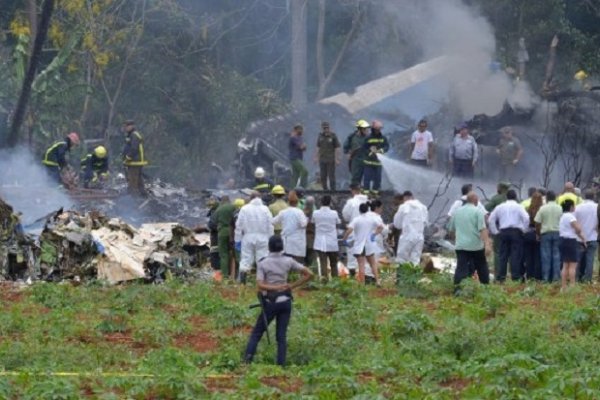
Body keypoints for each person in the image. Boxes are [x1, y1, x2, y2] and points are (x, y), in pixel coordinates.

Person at [243, 235, 313, 366]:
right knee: (281, 336)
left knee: (257, 333)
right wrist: (291, 286)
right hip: (286, 301)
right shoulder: (288, 260)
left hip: (270, 302)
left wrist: (275, 287)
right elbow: (309, 274)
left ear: (268, 247)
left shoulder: (263, 263)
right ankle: (281, 365)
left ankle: (247, 361)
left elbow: (260, 285)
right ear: (282, 246)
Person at [448, 192, 491, 290]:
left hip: (461, 246)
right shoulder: (478, 212)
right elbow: (482, 229)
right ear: (476, 201)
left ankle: (457, 290)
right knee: (482, 267)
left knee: (461, 268)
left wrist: (457, 239)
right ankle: (486, 288)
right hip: (475, 246)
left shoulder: (457, 212)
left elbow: (451, 230)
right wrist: (487, 244)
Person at [488, 189, 529, 282]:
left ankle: (501, 277)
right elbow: (526, 218)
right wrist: (524, 229)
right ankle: (515, 277)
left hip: (503, 231)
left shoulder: (500, 207)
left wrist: (495, 231)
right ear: (515, 197)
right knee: (515, 255)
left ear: (506, 197)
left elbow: (491, 219)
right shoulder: (519, 207)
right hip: (516, 232)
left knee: (503, 255)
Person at [234, 191, 274, 283]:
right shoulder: (265, 209)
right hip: (263, 238)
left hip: (248, 237)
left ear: (251, 198)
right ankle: (262, 281)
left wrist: (238, 240)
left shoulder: (244, 209)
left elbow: (238, 226)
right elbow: (270, 225)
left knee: (245, 259)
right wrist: (270, 238)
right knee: (262, 259)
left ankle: (243, 280)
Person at [342, 202, 384, 284]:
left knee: (361, 265)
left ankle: (362, 284)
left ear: (359, 210)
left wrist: (344, 239)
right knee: (373, 263)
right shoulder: (371, 219)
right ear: (368, 209)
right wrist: (374, 234)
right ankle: (378, 281)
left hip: (359, 245)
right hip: (369, 244)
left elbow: (349, 230)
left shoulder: (356, 219)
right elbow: (381, 227)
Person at [534, 190, 563, 283]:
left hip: (545, 233)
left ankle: (546, 277)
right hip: (557, 233)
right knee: (556, 255)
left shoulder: (542, 208)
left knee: (545, 256)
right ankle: (556, 277)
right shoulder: (560, 208)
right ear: (555, 198)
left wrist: (538, 234)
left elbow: (537, 222)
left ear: (546, 198)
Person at [393, 191, 428, 266]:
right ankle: (413, 276)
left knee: (402, 260)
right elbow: (425, 223)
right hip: (419, 238)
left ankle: (401, 277)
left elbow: (397, 224)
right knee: (415, 260)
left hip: (407, 237)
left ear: (404, 198)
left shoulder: (403, 207)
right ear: (412, 197)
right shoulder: (423, 207)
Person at [272, 191, 308, 263]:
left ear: (288, 202)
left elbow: (273, 222)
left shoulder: (283, 212)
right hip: (298, 242)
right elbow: (303, 224)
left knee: (286, 262)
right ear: (297, 202)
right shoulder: (299, 212)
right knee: (297, 263)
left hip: (286, 241)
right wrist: (307, 218)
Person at [341, 183, 369, 276]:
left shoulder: (351, 202)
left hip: (354, 229)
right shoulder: (368, 200)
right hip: (366, 231)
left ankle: (353, 274)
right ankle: (364, 275)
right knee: (365, 253)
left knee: (352, 252)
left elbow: (345, 215)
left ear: (353, 190)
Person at [312, 195, 341, 281]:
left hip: (320, 242)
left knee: (323, 262)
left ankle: (324, 281)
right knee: (333, 263)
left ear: (321, 202)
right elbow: (338, 222)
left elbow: (313, 222)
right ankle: (336, 281)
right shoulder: (334, 213)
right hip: (332, 241)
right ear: (330, 203)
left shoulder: (315, 213)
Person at [559, 199, 586, 290]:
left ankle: (563, 286)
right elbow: (578, 229)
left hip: (562, 240)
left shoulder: (562, 216)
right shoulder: (571, 217)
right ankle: (572, 285)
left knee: (565, 265)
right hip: (571, 241)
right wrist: (582, 238)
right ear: (571, 207)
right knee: (572, 265)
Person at [574, 189, 598, 282]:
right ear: (594, 196)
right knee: (590, 259)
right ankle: (588, 279)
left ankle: (576, 278)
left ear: (584, 196)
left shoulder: (578, 207)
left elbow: (573, 221)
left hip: (579, 237)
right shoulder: (597, 207)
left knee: (577, 260)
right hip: (592, 237)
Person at [362, 120, 389, 195]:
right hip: (368, 163)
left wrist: (381, 150)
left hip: (378, 163)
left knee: (377, 179)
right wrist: (369, 153)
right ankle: (366, 193)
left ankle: (375, 193)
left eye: (379, 129)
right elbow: (364, 148)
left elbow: (387, 146)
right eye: (377, 129)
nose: (378, 131)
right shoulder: (368, 138)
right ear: (373, 129)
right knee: (367, 179)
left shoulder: (383, 138)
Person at [122, 120, 148, 196]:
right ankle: (143, 195)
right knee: (139, 179)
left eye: (126, 126)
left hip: (135, 161)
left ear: (131, 126)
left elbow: (134, 148)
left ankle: (132, 198)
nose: (125, 128)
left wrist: (128, 157)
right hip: (135, 161)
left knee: (132, 179)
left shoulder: (134, 135)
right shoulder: (131, 135)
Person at [522, 191, 543, 280]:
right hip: (538, 234)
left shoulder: (527, 209)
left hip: (528, 234)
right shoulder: (542, 209)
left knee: (528, 257)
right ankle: (537, 276)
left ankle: (529, 275)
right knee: (538, 256)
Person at [214, 195, 237, 280]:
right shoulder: (233, 207)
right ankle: (235, 275)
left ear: (222, 201)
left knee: (223, 254)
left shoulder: (219, 209)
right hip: (233, 233)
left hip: (222, 232)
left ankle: (225, 276)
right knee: (235, 254)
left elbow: (214, 221)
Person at [314, 121, 341, 190]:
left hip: (331, 159)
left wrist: (337, 159)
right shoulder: (320, 136)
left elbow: (337, 147)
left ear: (329, 127)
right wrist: (316, 157)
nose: (326, 129)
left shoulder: (333, 136)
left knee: (331, 175)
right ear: (322, 128)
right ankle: (325, 190)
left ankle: (333, 190)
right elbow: (318, 147)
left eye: (327, 127)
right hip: (322, 159)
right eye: (324, 128)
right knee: (323, 176)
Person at [343, 120, 369, 186]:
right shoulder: (351, 137)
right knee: (355, 178)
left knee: (367, 178)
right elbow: (345, 147)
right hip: (355, 161)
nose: (367, 131)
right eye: (365, 129)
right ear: (360, 129)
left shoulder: (368, 138)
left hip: (366, 160)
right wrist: (349, 153)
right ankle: (355, 193)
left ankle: (364, 193)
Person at [206, 196, 221, 279]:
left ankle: (218, 279)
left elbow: (212, 225)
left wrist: (209, 226)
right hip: (219, 238)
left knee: (215, 258)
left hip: (216, 238)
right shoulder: (219, 211)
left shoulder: (215, 212)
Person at [303, 196, 317, 268]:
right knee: (310, 256)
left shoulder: (303, 212)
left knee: (308, 256)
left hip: (307, 237)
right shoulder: (314, 213)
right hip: (309, 237)